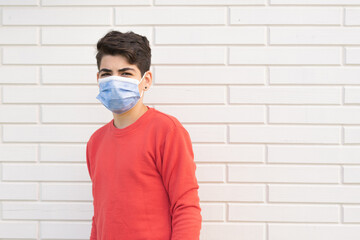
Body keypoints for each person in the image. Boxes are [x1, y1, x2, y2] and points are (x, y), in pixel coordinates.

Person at [86, 30, 202, 240]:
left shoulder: (167, 131)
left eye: (126, 73)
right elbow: (100, 216)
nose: (114, 81)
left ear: (146, 80)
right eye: (106, 74)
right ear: (98, 79)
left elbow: (186, 207)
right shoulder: (95, 142)